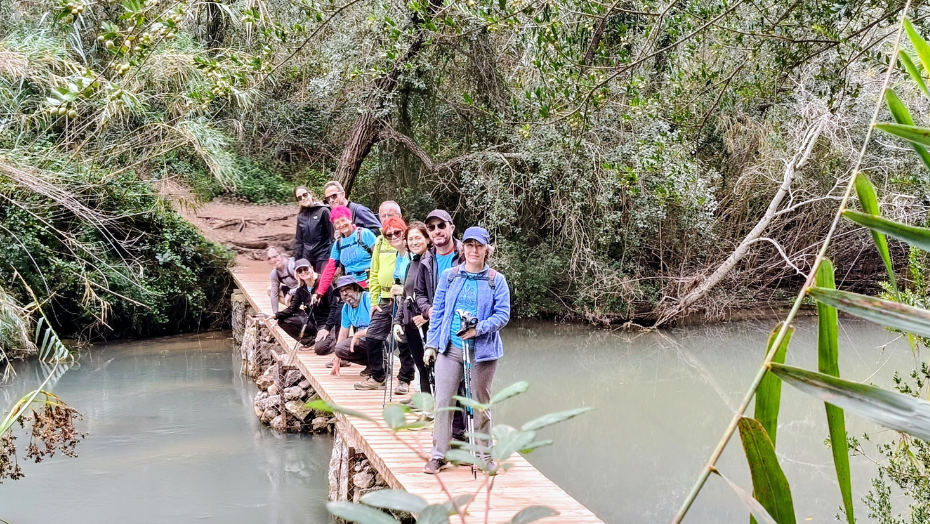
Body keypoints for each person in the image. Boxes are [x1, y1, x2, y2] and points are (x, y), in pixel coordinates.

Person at [422, 227, 511, 475]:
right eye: (469, 245)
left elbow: (503, 316)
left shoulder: (496, 279)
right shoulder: (450, 277)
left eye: (479, 245)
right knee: (443, 402)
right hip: (449, 349)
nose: (473, 250)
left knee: (480, 404)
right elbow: (438, 312)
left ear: (486, 250)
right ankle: (439, 455)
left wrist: (478, 329)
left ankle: (485, 456)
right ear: (463, 248)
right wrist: (431, 344)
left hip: (482, 354)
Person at [367, 215, 416, 395]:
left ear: (404, 231)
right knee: (372, 336)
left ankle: (405, 380)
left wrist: (402, 291)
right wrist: (375, 299)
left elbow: (417, 283)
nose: (394, 236)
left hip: (408, 303)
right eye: (389, 234)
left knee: (402, 341)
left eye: (397, 232)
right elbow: (374, 273)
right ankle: (377, 376)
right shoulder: (396, 253)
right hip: (388, 299)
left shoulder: (412, 255)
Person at [391, 221, 432, 397]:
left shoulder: (432, 263)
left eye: (418, 238)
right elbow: (404, 296)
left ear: (428, 239)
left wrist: (426, 316)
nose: (414, 242)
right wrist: (397, 321)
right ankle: (426, 405)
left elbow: (436, 295)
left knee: (432, 367)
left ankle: (437, 410)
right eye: (410, 239)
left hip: (427, 323)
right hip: (411, 324)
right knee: (421, 368)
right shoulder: (411, 263)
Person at [330, 275, 387, 390]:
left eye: (348, 289)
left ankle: (382, 365)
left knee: (368, 339)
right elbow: (343, 333)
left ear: (356, 289)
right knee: (340, 349)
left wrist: (357, 334)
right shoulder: (346, 308)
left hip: (383, 337)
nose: (345, 294)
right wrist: (336, 360)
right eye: (341, 292)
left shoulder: (369, 299)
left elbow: (379, 326)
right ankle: (373, 365)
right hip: (365, 340)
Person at [266, 259, 333, 352]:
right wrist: (277, 315)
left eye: (305, 269)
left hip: (327, 324)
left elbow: (335, 308)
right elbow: (292, 309)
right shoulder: (301, 289)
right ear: (297, 274)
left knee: (320, 349)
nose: (303, 272)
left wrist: (327, 328)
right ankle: (310, 340)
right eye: (299, 271)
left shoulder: (324, 284)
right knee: (283, 320)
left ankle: (334, 340)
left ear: (311, 268)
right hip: (312, 322)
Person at [314, 205, 378, 295]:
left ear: (350, 219)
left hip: (369, 283)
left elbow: (380, 256)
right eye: (337, 223)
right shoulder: (338, 244)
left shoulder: (364, 234)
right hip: (350, 286)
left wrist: (376, 279)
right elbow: (330, 268)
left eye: (343, 220)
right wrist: (320, 291)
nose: (341, 224)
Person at [415, 209, 464, 322]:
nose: (436, 231)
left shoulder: (465, 255)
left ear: (451, 228)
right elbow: (419, 293)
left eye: (441, 226)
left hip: (461, 323)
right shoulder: (425, 258)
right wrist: (428, 310)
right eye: (431, 227)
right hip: (437, 323)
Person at [293, 187, 334, 273]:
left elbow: (333, 236)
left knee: (322, 281)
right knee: (309, 283)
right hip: (307, 256)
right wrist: (297, 260)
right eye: (300, 198)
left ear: (310, 194)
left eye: (305, 195)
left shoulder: (324, 211)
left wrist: (334, 256)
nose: (303, 198)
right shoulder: (301, 216)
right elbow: (299, 241)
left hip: (323, 254)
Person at [266, 246, 299, 315]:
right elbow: (274, 294)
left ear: (281, 255)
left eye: (275, 256)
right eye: (269, 258)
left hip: (305, 291)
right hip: (293, 292)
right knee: (270, 290)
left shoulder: (292, 265)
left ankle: (296, 309)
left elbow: (304, 285)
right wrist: (275, 314)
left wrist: (290, 293)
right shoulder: (274, 273)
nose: (272, 260)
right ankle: (295, 310)